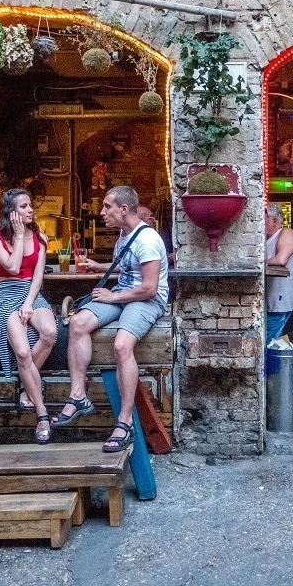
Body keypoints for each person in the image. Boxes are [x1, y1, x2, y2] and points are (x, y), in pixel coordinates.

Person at [53, 185, 169, 453]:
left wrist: (111, 298)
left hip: (146, 300)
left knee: (121, 345)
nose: (102, 212)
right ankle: (79, 396)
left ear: (124, 209)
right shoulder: (123, 235)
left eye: (107, 207)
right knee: (78, 324)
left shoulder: (148, 239)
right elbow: (127, 268)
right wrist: (99, 267)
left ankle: (125, 421)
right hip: (121, 294)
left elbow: (149, 287)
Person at [0, 189, 59, 444]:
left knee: (50, 332)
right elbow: (13, 267)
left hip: (31, 293)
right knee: (23, 353)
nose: (30, 210)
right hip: (6, 294)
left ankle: (25, 382)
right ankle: (42, 415)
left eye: (30, 206)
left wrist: (29, 303)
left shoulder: (40, 237)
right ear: (10, 213)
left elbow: (37, 276)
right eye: (24, 206)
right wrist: (18, 237)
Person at [265, 203, 293, 346]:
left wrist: (260, 262)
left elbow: (281, 259)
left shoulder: (286, 233)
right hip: (271, 301)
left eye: (264, 218)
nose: (260, 222)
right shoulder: (267, 239)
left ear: (274, 221)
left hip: (278, 302)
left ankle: (269, 368)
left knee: (267, 343)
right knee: (273, 342)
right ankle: (279, 367)